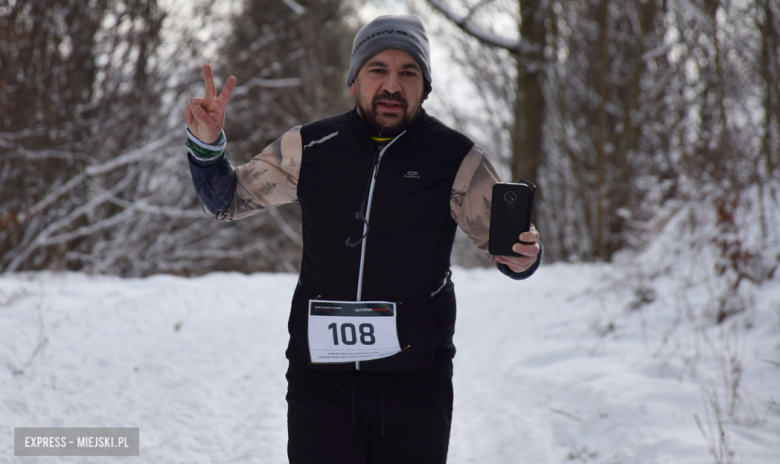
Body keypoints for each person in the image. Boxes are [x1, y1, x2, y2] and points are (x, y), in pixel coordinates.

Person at [184, 14, 542, 464]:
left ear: (425, 86)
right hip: (321, 381)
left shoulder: (457, 159)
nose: (392, 84)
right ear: (354, 81)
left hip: (415, 382)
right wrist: (206, 145)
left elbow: (509, 251)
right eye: (378, 70)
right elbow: (225, 200)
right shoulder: (308, 148)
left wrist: (525, 256)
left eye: (408, 72)